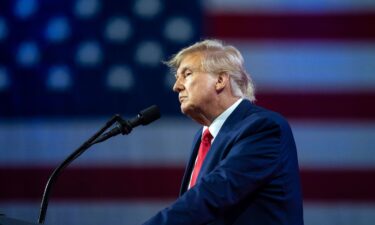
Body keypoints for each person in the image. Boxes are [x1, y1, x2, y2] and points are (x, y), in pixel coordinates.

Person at [143, 39, 304, 225]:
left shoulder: (264, 127)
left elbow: (215, 193)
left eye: (187, 74)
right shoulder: (203, 137)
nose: (176, 86)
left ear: (220, 80)